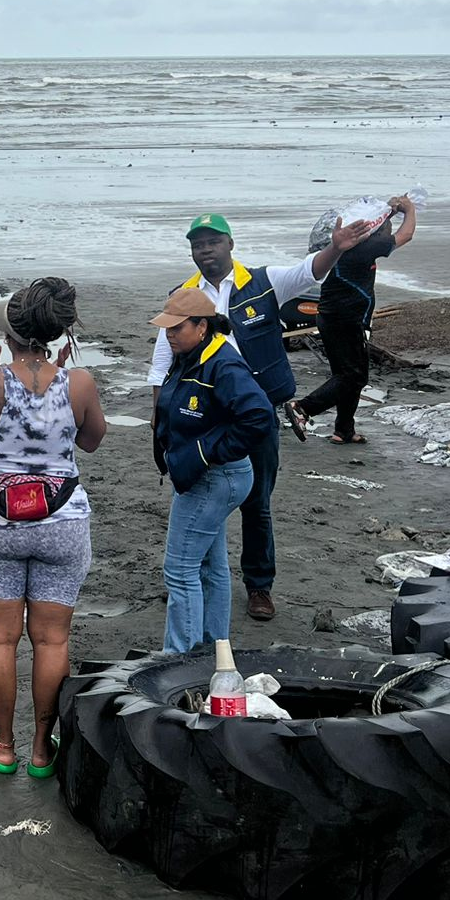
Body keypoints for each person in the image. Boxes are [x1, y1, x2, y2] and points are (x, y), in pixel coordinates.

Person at [147, 211, 369, 623]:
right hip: (202, 412)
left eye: (213, 241)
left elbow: (309, 271)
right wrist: (161, 425)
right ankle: (195, 578)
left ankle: (259, 586)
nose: (205, 250)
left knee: (256, 500)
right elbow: (163, 363)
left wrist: (336, 247)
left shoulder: (264, 282)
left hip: (256, 412)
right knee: (197, 495)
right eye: (198, 244)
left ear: (230, 244)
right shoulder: (184, 295)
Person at [0, 279, 106, 776]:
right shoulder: (78, 382)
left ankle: (2, 744)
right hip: (62, 521)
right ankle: (43, 750)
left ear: (10, 334)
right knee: (52, 641)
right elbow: (92, 442)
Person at [149, 288, 276, 655]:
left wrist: (210, 454)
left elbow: (259, 416)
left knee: (180, 570)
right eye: (166, 328)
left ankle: (179, 658)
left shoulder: (223, 363)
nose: (169, 334)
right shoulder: (193, 355)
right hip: (215, 477)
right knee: (211, 565)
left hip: (215, 480)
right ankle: (213, 649)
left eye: (177, 328)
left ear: (202, 326)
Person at [287, 195, 417, 445]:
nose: (384, 228)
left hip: (332, 316)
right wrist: (409, 210)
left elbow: (380, 226)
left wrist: (389, 211)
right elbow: (406, 234)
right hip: (347, 320)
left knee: (346, 374)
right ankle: (302, 408)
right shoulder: (363, 249)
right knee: (355, 377)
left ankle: (344, 429)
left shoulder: (345, 247)